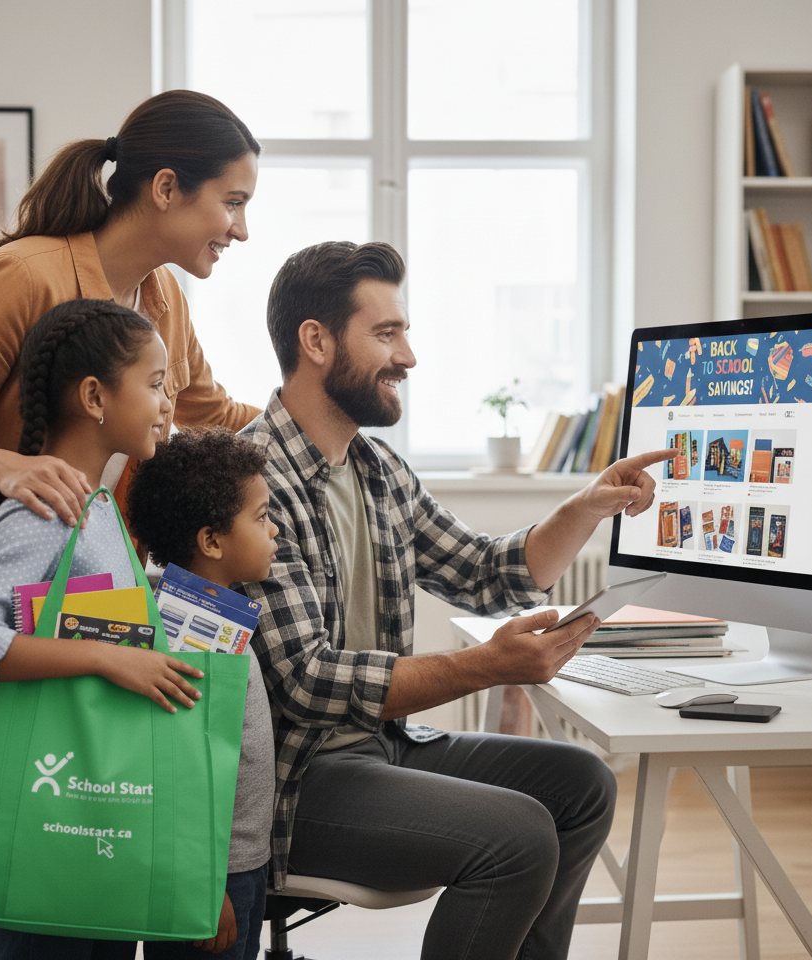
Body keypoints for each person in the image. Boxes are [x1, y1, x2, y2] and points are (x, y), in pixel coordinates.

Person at [0, 89, 262, 960]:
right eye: (231, 202)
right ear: (167, 188)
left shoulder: (161, 298)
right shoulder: (24, 276)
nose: (240, 229)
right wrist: (3, 466)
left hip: (61, 625)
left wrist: (311, 421)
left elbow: (207, 412)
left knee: (39, 870)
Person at [239, 240, 676, 960]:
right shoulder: (250, 481)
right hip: (302, 782)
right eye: (386, 333)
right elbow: (307, 681)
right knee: (518, 837)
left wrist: (586, 507)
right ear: (315, 341)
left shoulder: (378, 470)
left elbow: (483, 572)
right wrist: (484, 667)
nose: (408, 357)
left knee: (583, 786)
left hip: (382, 747)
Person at [0, 299, 207, 958]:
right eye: (155, 383)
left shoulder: (98, 505)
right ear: (94, 397)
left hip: (90, 817)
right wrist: (106, 659)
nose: (168, 404)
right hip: (55, 821)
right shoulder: (47, 511)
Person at [127, 427, 279, 960]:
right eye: (261, 517)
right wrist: (202, 884)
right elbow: (175, 773)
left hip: (241, 862)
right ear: (211, 541)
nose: (274, 529)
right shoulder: (190, 636)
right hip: (211, 875)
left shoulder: (216, 617)